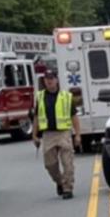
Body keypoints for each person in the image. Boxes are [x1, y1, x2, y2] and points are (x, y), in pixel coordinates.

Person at [32, 70, 81, 199]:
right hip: (48, 134)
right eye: (47, 78)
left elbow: (74, 116)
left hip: (64, 133)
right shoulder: (40, 97)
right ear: (44, 81)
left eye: (52, 78)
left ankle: (67, 188)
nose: (49, 81)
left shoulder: (66, 96)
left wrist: (77, 135)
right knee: (50, 165)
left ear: (57, 80)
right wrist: (34, 135)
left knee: (67, 163)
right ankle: (60, 182)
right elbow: (36, 117)